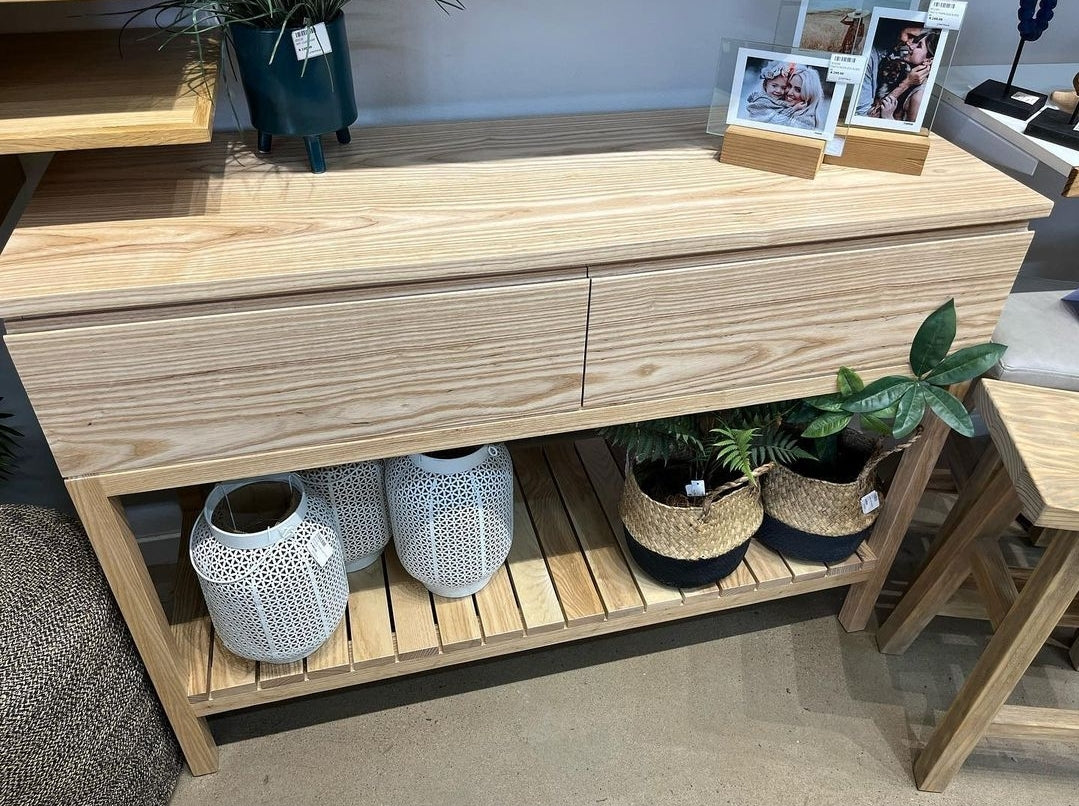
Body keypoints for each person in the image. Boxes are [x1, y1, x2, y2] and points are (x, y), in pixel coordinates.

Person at [855, 23, 938, 123]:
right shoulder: (877, 57)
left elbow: (909, 134)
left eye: (917, 43)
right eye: (910, 36)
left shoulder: (919, 95)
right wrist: (906, 83)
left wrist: (888, 118)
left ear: (929, 60)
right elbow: (864, 115)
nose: (910, 45)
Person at [777, 64, 827, 130]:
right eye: (789, 86)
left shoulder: (806, 121)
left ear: (809, 95)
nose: (789, 92)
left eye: (798, 90)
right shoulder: (778, 104)